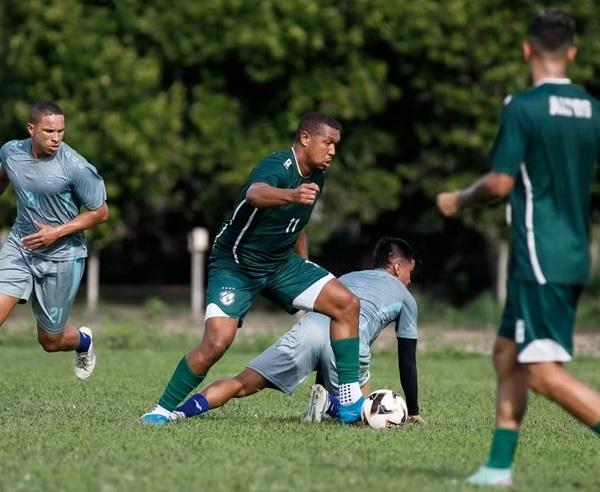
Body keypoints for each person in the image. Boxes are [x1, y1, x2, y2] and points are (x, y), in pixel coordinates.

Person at [437, 9, 600, 487]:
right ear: (572, 52)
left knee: (544, 373)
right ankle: (497, 469)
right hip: (572, 253)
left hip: (539, 255)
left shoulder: (522, 106)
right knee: (507, 353)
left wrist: (460, 199)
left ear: (527, 49)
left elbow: (502, 182)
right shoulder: (592, 108)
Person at [142, 112, 364, 425]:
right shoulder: (278, 166)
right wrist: (291, 194)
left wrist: (304, 262)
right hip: (236, 264)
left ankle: (349, 396)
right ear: (305, 138)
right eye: (328, 143)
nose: (333, 151)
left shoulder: (317, 175)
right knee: (217, 343)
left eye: (335, 145)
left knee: (347, 304)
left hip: (281, 263)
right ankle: (161, 410)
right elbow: (255, 193)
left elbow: (296, 224)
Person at [166, 237, 423, 426]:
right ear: (398, 268)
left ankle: (177, 413)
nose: (410, 278)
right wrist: (413, 411)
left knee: (240, 384)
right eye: (410, 271)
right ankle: (332, 404)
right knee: (364, 416)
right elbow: (407, 361)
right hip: (348, 344)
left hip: (307, 331)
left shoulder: (346, 278)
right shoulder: (406, 298)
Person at [0, 100, 109, 380]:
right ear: (31, 129)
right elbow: (5, 174)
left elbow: (100, 212)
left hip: (62, 257)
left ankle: (83, 342)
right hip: (21, 247)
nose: (56, 138)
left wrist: (56, 232)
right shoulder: (11, 152)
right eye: (49, 131)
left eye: (61, 131)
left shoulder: (76, 167)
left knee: (50, 341)